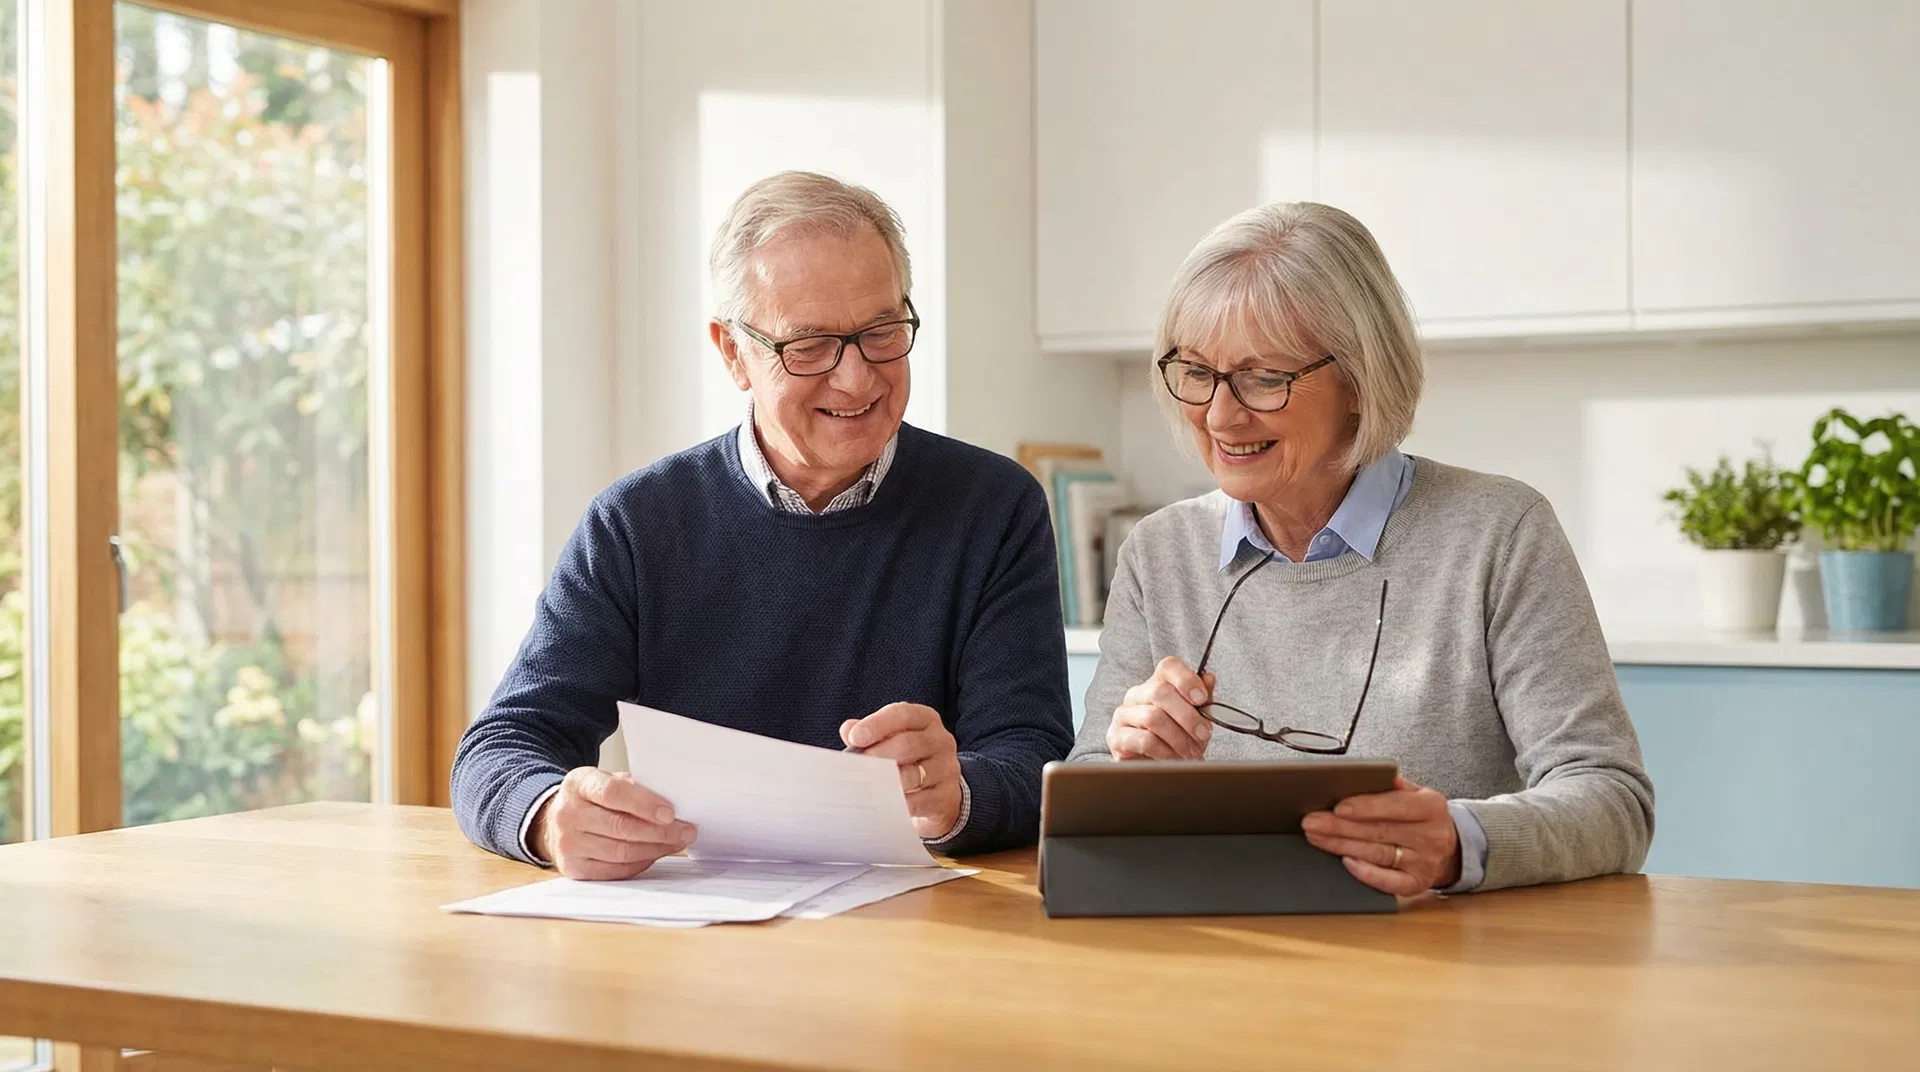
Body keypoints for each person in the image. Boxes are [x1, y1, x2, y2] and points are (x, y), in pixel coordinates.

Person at [454, 171, 1073, 878]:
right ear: (732, 353)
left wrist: (955, 793)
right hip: (701, 935)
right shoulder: (637, 525)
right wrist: (547, 816)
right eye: (808, 347)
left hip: (922, 937)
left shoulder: (994, 509)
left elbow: (1035, 758)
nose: (857, 378)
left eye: (882, 332)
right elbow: (502, 746)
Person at [1069, 201, 1654, 895]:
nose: (1221, 415)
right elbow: (1083, 807)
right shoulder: (1159, 553)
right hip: (1225, 961)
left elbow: (1613, 801)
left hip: (1436, 970)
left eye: (1264, 378)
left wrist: (1458, 843)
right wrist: (1128, 769)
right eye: (1196, 372)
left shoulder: (1498, 532)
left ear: (1358, 378)